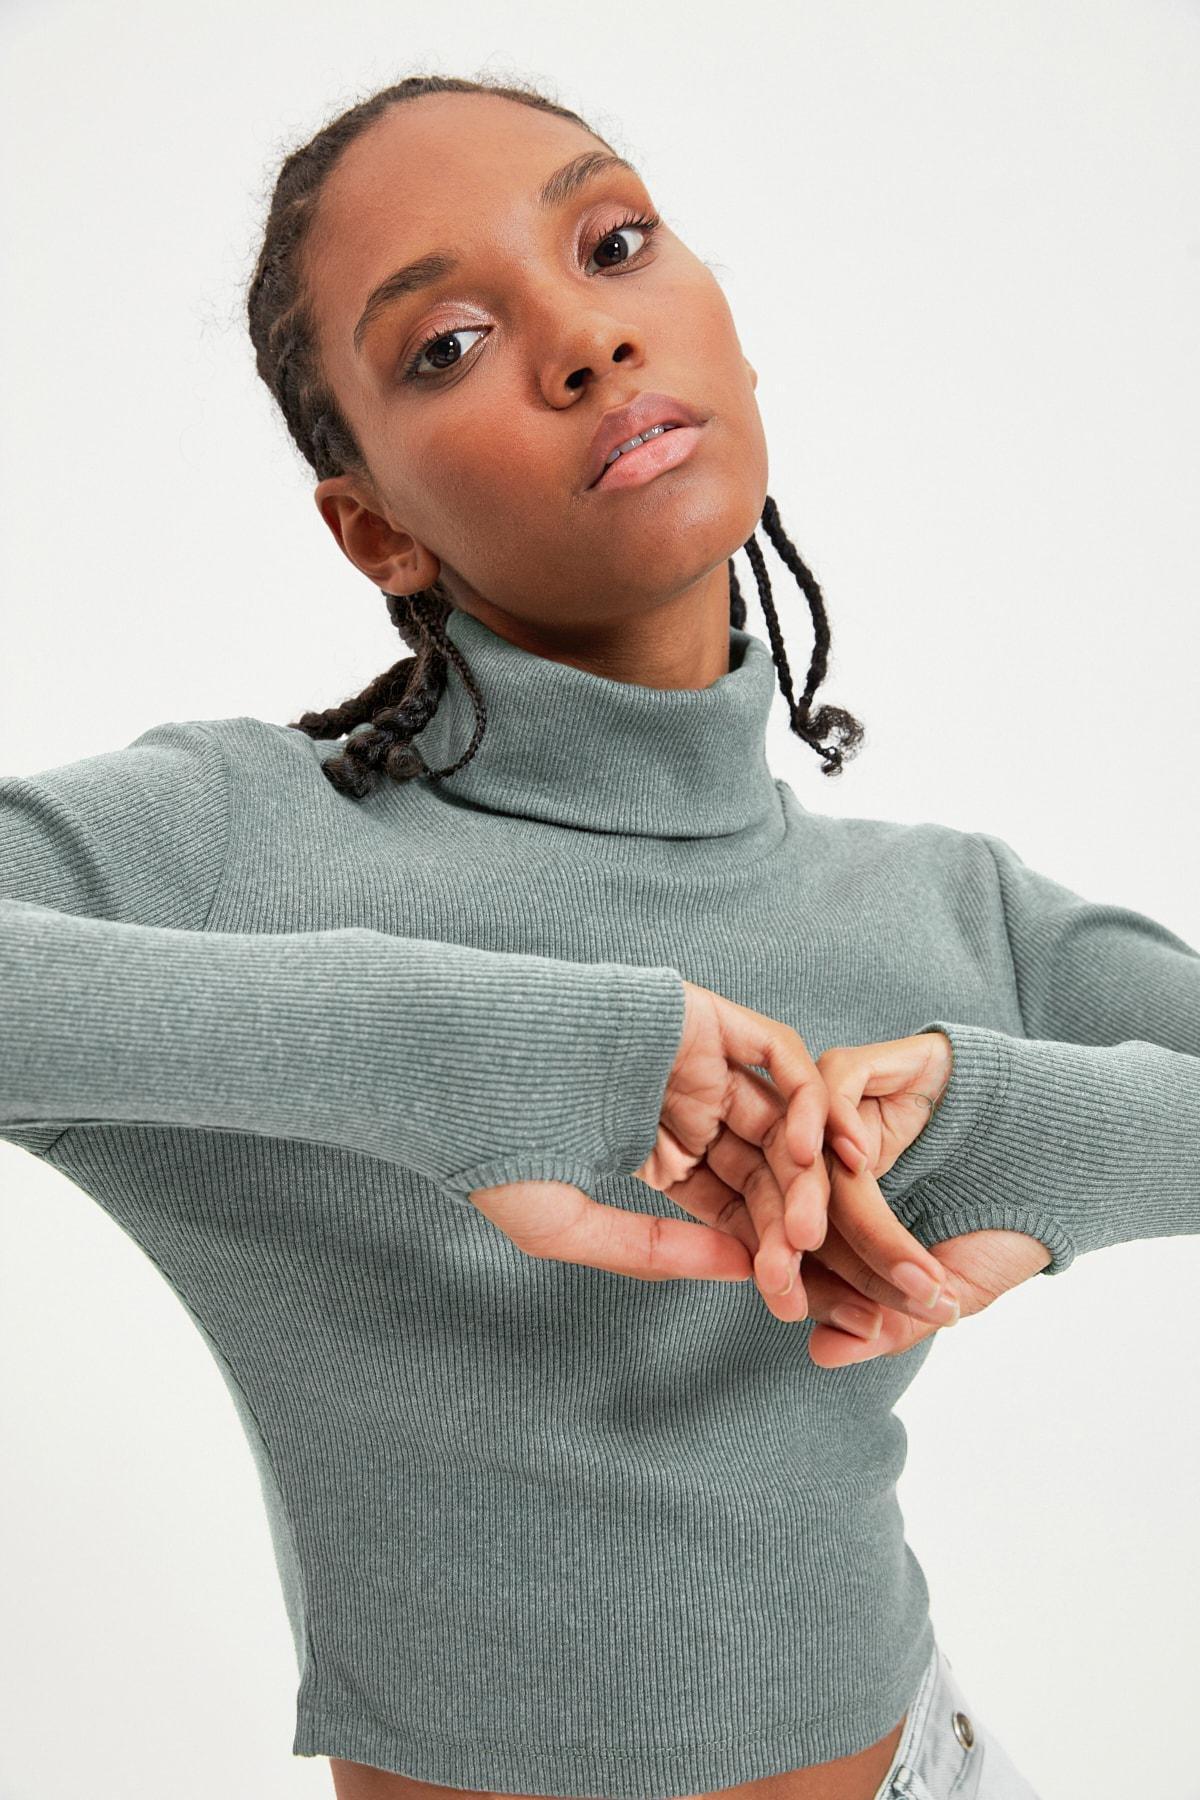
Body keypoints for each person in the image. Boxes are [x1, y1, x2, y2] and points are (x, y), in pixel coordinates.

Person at [4, 70, 1196, 1800]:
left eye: (615, 242)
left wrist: (1023, 1130)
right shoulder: (239, 841)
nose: (585, 339)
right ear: (374, 527)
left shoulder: (953, 910)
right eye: (446, 344)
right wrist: (459, 1052)